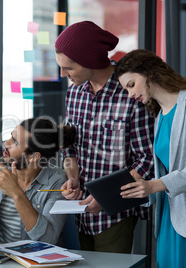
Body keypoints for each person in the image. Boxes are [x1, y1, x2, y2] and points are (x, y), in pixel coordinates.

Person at [54, 21, 154, 253]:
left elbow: (147, 159)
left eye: (68, 68)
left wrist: (106, 197)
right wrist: (72, 177)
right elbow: (69, 145)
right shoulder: (75, 92)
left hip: (115, 213)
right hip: (79, 211)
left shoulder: (131, 93)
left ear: (90, 61)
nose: (62, 74)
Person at [115, 49, 186, 267]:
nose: (129, 94)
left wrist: (155, 185)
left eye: (131, 84)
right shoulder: (159, 115)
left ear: (149, 73)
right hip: (170, 213)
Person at [0, 117, 76, 245]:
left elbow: (47, 240)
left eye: (15, 142)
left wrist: (16, 192)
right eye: (10, 136)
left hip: (36, 261)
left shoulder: (57, 182)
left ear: (34, 157)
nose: (6, 143)